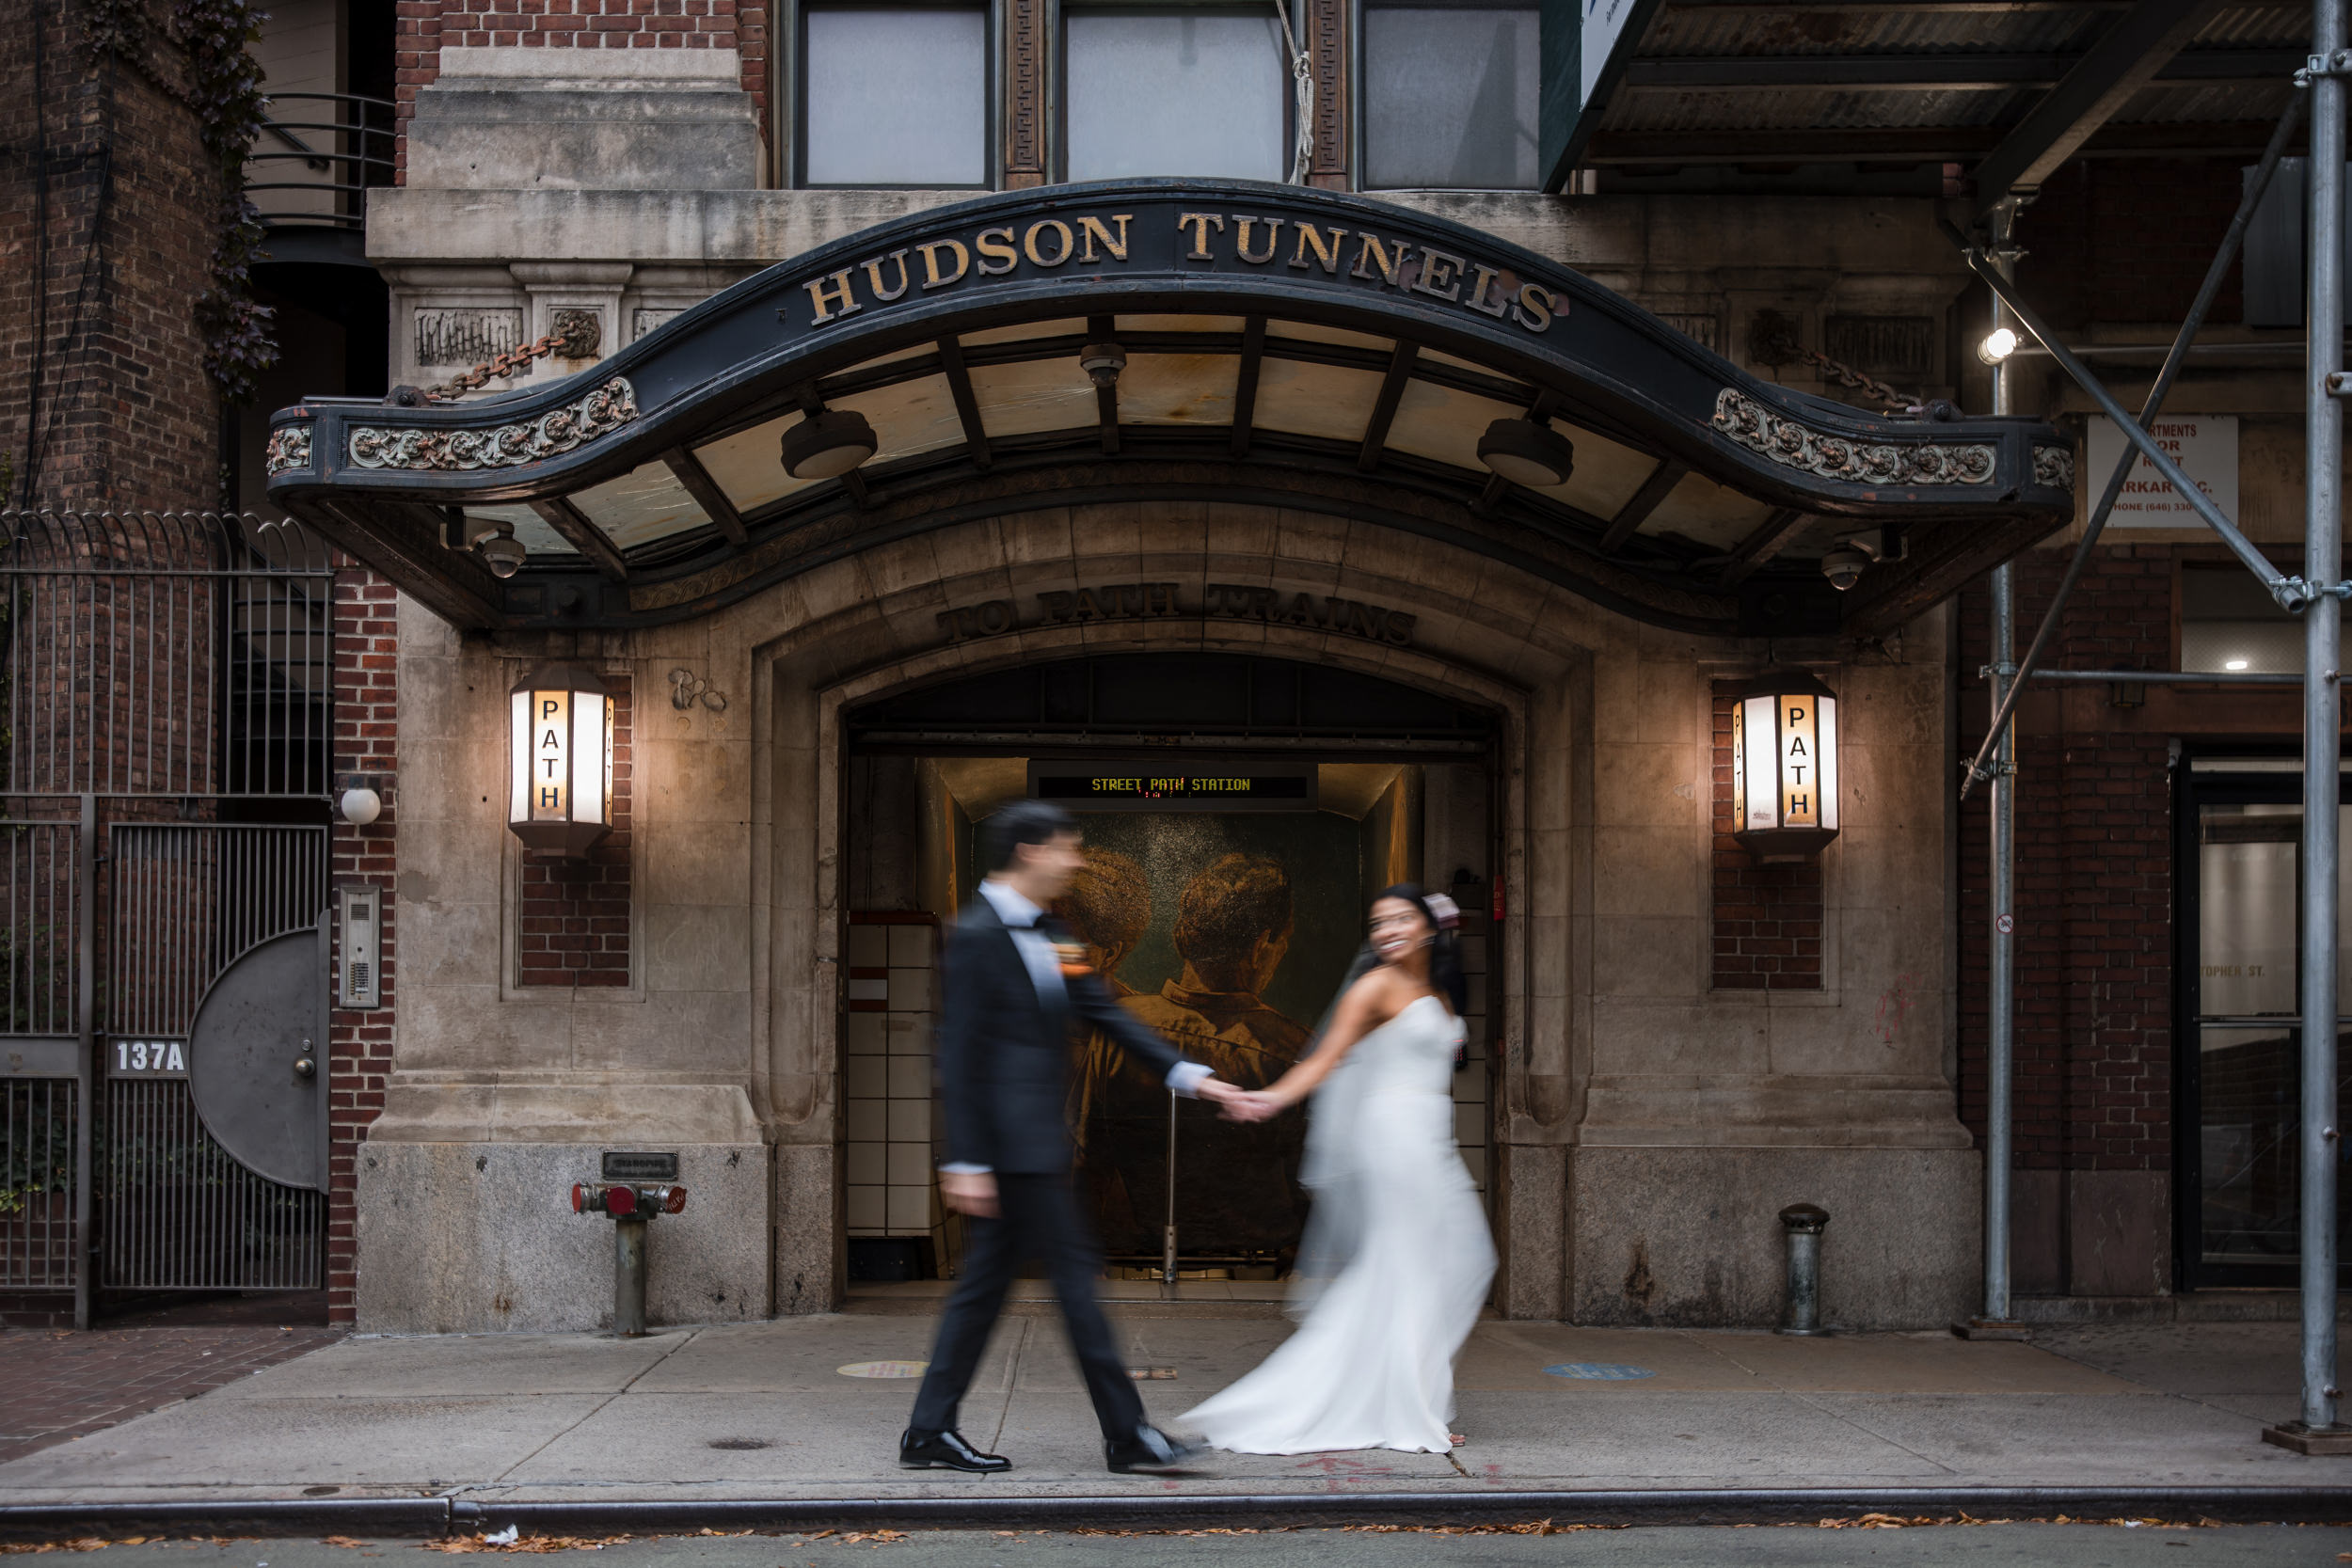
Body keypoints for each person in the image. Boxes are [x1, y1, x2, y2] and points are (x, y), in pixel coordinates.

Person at [900, 800, 1255, 1477]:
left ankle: (930, 1430)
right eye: (1068, 847)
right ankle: (1124, 1435)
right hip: (1007, 1153)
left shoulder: (1051, 932)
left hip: (1037, 1147)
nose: (1077, 859)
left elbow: (1103, 1011)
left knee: (996, 1293)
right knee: (1069, 1289)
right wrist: (966, 1157)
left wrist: (1192, 1076)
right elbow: (957, 1051)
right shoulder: (974, 933)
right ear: (1031, 851)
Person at [1176, 884, 1495, 1456]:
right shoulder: (1375, 986)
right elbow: (1324, 1059)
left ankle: (1407, 1399)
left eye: (1400, 918)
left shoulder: (1435, 988)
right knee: (1415, 1268)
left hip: (1430, 1139)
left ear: (1428, 927)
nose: (1388, 930)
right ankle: (1415, 1411)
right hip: (1394, 1138)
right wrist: (1267, 1099)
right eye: (1378, 922)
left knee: (1460, 1260)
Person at [1123, 852, 1310, 1086]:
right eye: (1285, 939)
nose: (1283, 951)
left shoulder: (1120, 1020)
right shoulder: (1294, 1051)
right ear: (1260, 948)